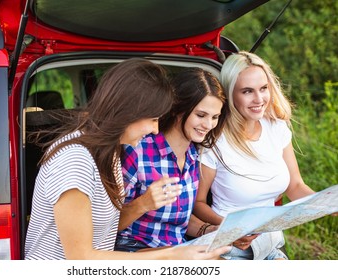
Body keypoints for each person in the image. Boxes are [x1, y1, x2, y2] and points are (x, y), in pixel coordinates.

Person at [24, 58, 230, 260]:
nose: (155, 129)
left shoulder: (110, 153)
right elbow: (81, 259)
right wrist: (171, 255)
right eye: (153, 119)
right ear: (128, 112)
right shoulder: (75, 161)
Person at [193, 51, 316, 260]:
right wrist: (229, 228)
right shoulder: (215, 139)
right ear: (230, 94)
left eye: (263, 88)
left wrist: (325, 205)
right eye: (247, 91)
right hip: (227, 247)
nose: (259, 99)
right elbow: (198, 203)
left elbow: (295, 187)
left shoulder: (277, 128)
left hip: (271, 244)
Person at [115, 67, 227, 252]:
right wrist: (143, 204)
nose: (208, 125)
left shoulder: (193, 155)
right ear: (178, 108)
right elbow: (107, 226)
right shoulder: (137, 151)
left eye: (215, 117)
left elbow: (175, 220)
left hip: (176, 248)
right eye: (200, 115)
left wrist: (208, 230)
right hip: (133, 249)